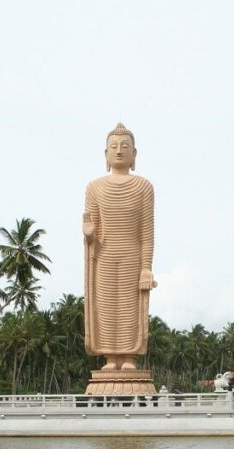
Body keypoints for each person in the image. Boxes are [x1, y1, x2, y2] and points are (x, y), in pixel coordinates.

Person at [83, 123, 155, 371]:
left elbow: (147, 234)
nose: (119, 151)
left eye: (125, 146)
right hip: (103, 254)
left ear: (135, 154)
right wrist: (88, 235)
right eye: (113, 146)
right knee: (106, 306)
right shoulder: (94, 187)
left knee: (129, 307)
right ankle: (110, 358)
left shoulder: (144, 187)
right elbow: (92, 227)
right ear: (105, 154)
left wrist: (146, 269)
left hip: (132, 255)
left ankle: (129, 357)